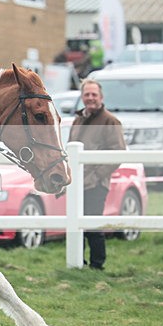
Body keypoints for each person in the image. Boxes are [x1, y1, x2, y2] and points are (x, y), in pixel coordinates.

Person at [68, 78, 126, 270]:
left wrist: (96, 176)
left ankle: (97, 265)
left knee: (93, 226)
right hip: (76, 184)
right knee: (75, 227)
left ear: (101, 97)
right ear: (82, 97)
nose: (90, 98)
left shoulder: (111, 121)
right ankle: (78, 264)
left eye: (94, 94)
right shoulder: (77, 120)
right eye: (87, 94)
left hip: (96, 184)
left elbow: (118, 153)